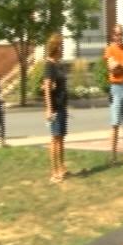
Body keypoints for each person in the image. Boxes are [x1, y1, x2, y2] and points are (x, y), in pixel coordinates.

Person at [104, 24, 123, 164]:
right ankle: (113, 156)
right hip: (116, 88)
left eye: (121, 34)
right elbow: (111, 68)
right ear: (113, 35)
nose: (119, 37)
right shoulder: (109, 49)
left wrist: (120, 65)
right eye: (117, 34)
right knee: (115, 123)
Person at [43, 33, 69, 183]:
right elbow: (47, 88)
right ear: (56, 47)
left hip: (62, 106)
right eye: (61, 45)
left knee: (61, 138)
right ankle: (54, 172)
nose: (63, 48)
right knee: (55, 138)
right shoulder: (49, 65)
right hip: (55, 108)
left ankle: (62, 167)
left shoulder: (59, 64)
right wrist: (48, 109)